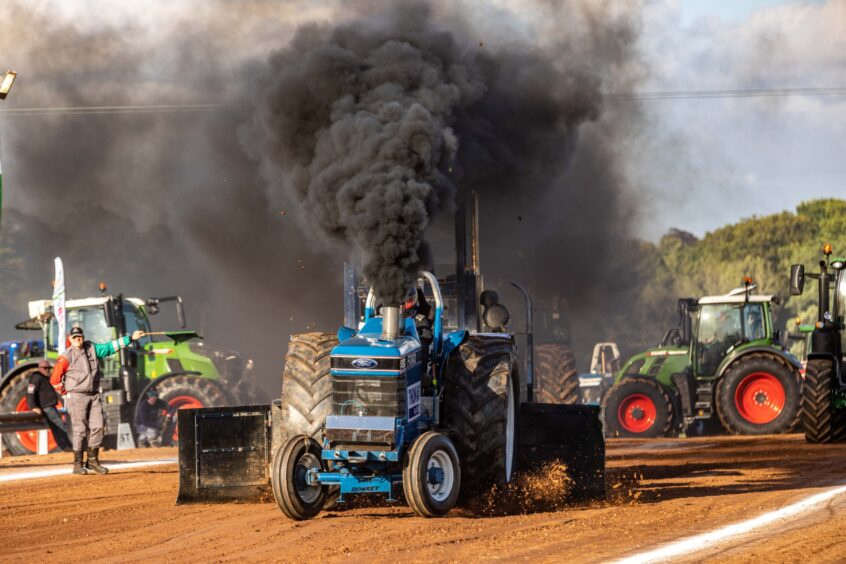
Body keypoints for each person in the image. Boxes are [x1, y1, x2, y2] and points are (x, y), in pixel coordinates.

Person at [51, 325, 145, 475]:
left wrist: (130, 338)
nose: (78, 339)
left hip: (94, 394)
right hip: (77, 395)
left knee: (98, 426)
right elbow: (55, 379)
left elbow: (110, 347)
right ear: (70, 339)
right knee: (80, 430)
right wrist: (67, 392)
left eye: (80, 336)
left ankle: (93, 461)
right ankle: (77, 464)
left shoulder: (92, 348)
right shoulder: (66, 356)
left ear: (83, 336)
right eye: (74, 337)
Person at [27, 359, 72, 452]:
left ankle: (65, 447)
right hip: (46, 407)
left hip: (50, 406)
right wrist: (33, 407)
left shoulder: (44, 377)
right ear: (39, 368)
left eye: (48, 368)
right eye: (45, 368)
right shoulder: (36, 378)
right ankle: (69, 446)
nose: (47, 370)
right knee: (60, 426)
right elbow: (30, 393)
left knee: (56, 428)